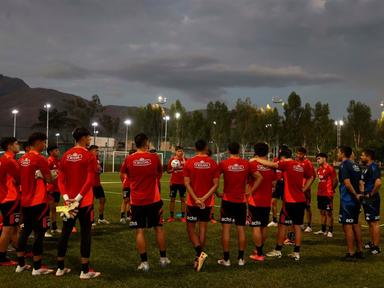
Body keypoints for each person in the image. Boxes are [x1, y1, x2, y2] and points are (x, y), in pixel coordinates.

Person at [56, 128, 101, 279]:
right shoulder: (89, 156)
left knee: (65, 232)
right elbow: (90, 180)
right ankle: (84, 271)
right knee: (86, 233)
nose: (90, 140)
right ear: (83, 138)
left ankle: (60, 268)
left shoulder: (66, 155)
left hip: (68, 202)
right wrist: (79, 198)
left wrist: (68, 197)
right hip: (85, 202)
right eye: (88, 137)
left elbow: (60, 179)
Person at [121, 133, 170, 272]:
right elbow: (159, 173)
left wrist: (133, 183)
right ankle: (163, 259)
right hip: (154, 200)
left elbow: (124, 175)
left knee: (139, 231)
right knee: (159, 228)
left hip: (136, 201)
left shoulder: (129, 159)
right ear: (146, 142)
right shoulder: (154, 158)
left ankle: (144, 263)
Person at [255, 148, 314, 261]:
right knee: (297, 226)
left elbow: (271, 164)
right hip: (300, 200)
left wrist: (256, 159)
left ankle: (278, 250)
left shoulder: (286, 163)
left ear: (283, 158)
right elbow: (311, 176)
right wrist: (304, 189)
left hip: (290, 201)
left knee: (282, 225)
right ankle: (296, 253)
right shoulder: (300, 165)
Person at [16, 132, 53, 275]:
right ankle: (37, 267)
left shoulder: (22, 159)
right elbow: (50, 180)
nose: (44, 145)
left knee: (25, 232)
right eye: (43, 142)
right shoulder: (39, 158)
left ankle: (20, 265)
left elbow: (19, 180)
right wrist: (49, 175)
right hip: (39, 201)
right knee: (39, 233)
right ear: (37, 142)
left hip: (25, 201)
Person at [216, 142, 259, 267]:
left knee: (226, 230)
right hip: (241, 201)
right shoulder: (246, 163)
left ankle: (226, 259)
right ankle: (240, 259)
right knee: (241, 229)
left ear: (229, 151)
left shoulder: (224, 163)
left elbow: (214, 179)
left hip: (227, 200)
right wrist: (250, 191)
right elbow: (259, 177)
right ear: (239, 150)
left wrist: (217, 192)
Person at [184, 139, 219, 272]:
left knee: (190, 229)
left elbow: (187, 183)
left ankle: (199, 254)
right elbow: (216, 184)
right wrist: (204, 198)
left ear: (195, 148)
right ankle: (199, 256)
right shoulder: (213, 163)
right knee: (203, 228)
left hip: (192, 202)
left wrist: (196, 198)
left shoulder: (189, 163)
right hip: (207, 202)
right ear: (205, 147)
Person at [248, 143, 276, 262]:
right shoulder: (271, 167)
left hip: (255, 200)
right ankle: (259, 249)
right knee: (264, 226)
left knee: (256, 226)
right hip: (266, 200)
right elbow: (274, 183)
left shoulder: (252, 164)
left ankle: (259, 254)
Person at [337, 146, 364, 261]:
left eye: (338, 152)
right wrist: (360, 195)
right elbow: (361, 182)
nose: (337, 154)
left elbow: (347, 183)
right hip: (356, 200)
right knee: (355, 224)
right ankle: (360, 250)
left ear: (342, 153)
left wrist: (355, 195)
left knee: (347, 226)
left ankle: (351, 253)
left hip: (348, 200)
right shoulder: (356, 165)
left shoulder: (344, 165)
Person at [0, 137, 21, 266]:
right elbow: (19, 180)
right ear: (9, 146)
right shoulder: (11, 161)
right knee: (8, 229)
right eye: (16, 144)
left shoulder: (2, 159)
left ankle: (20, 249)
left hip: (4, 197)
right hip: (10, 198)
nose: (18, 146)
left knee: (13, 227)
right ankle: (1, 257)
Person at [360, 149, 382, 255]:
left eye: (362, 155)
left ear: (368, 157)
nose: (361, 157)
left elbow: (378, 183)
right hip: (366, 198)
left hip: (372, 199)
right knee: (369, 221)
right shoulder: (367, 168)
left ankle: (376, 246)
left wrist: (371, 194)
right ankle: (372, 242)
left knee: (374, 222)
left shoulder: (374, 167)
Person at [314, 153, 338, 237]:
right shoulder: (319, 169)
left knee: (329, 212)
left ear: (324, 158)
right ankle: (323, 230)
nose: (317, 160)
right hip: (320, 193)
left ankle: (330, 231)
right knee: (322, 212)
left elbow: (335, 180)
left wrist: (331, 189)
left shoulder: (330, 168)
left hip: (327, 194)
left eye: (319, 158)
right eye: (317, 159)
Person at [296, 147, 316, 232]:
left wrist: (307, 187)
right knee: (299, 207)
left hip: (305, 188)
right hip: (297, 188)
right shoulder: (296, 162)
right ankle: (301, 223)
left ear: (304, 154)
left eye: (300, 154)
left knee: (307, 206)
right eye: (298, 153)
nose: (298, 155)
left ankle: (309, 225)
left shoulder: (308, 163)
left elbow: (313, 176)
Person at [88, 145, 109, 224]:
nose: (97, 152)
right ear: (90, 151)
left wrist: (99, 169)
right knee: (90, 203)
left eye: (97, 150)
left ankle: (100, 218)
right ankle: (91, 220)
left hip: (97, 184)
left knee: (103, 200)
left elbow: (99, 170)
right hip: (90, 184)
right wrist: (98, 169)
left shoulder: (97, 159)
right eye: (95, 150)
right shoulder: (89, 159)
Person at [166, 146, 187, 223]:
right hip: (174, 183)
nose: (180, 152)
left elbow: (188, 170)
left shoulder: (185, 160)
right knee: (172, 199)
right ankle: (171, 217)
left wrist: (185, 163)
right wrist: (173, 170)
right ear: (175, 152)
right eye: (178, 151)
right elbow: (168, 171)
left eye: (181, 151)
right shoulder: (172, 160)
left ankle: (183, 217)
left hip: (183, 183)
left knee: (183, 200)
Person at [45, 145, 61, 237]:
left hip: (57, 188)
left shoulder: (58, 161)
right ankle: (46, 230)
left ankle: (54, 227)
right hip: (50, 189)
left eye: (58, 150)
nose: (58, 151)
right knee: (48, 209)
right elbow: (45, 174)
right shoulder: (49, 161)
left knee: (54, 209)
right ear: (51, 152)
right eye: (56, 150)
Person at [119, 149, 136, 224]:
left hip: (134, 185)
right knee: (125, 200)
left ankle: (129, 215)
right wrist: (124, 182)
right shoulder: (126, 163)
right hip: (127, 185)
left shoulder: (135, 163)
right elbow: (121, 174)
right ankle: (122, 216)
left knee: (131, 201)